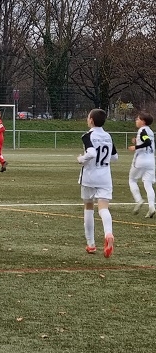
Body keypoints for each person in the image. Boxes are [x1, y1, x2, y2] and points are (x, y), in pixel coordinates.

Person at [78, 107, 118, 258]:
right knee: (103, 208)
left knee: (88, 207)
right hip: (105, 176)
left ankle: (91, 244)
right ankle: (108, 233)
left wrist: (81, 159)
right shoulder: (108, 136)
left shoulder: (87, 136)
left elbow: (92, 153)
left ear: (91, 120)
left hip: (90, 176)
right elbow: (115, 157)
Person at [128, 111, 156, 217]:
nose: (136, 120)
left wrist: (135, 147)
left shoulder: (142, 130)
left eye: (138, 119)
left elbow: (147, 142)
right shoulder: (150, 131)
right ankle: (152, 207)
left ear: (143, 122)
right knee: (148, 184)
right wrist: (137, 141)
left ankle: (138, 200)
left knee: (132, 180)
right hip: (151, 161)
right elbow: (147, 141)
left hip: (140, 160)